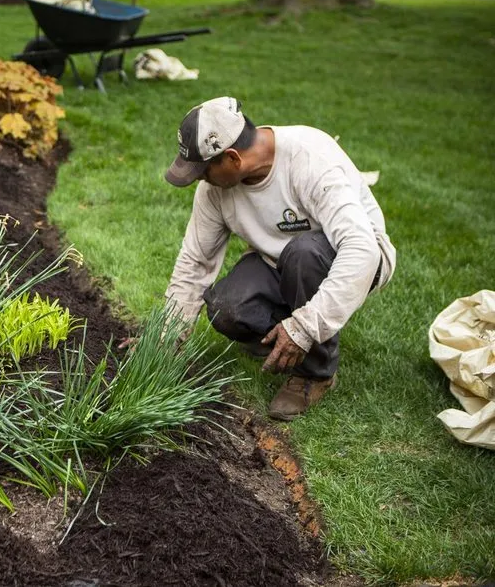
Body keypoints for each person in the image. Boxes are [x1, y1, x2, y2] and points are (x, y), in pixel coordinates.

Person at [162, 96, 396, 421]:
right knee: (227, 309)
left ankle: (315, 374)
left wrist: (305, 328)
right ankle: (281, 336)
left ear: (231, 158)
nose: (200, 180)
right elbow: (196, 260)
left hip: (349, 257)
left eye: (203, 171)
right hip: (277, 261)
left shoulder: (309, 160)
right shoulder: (214, 191)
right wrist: (166, 335)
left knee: (303, 253)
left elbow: (362, 249)